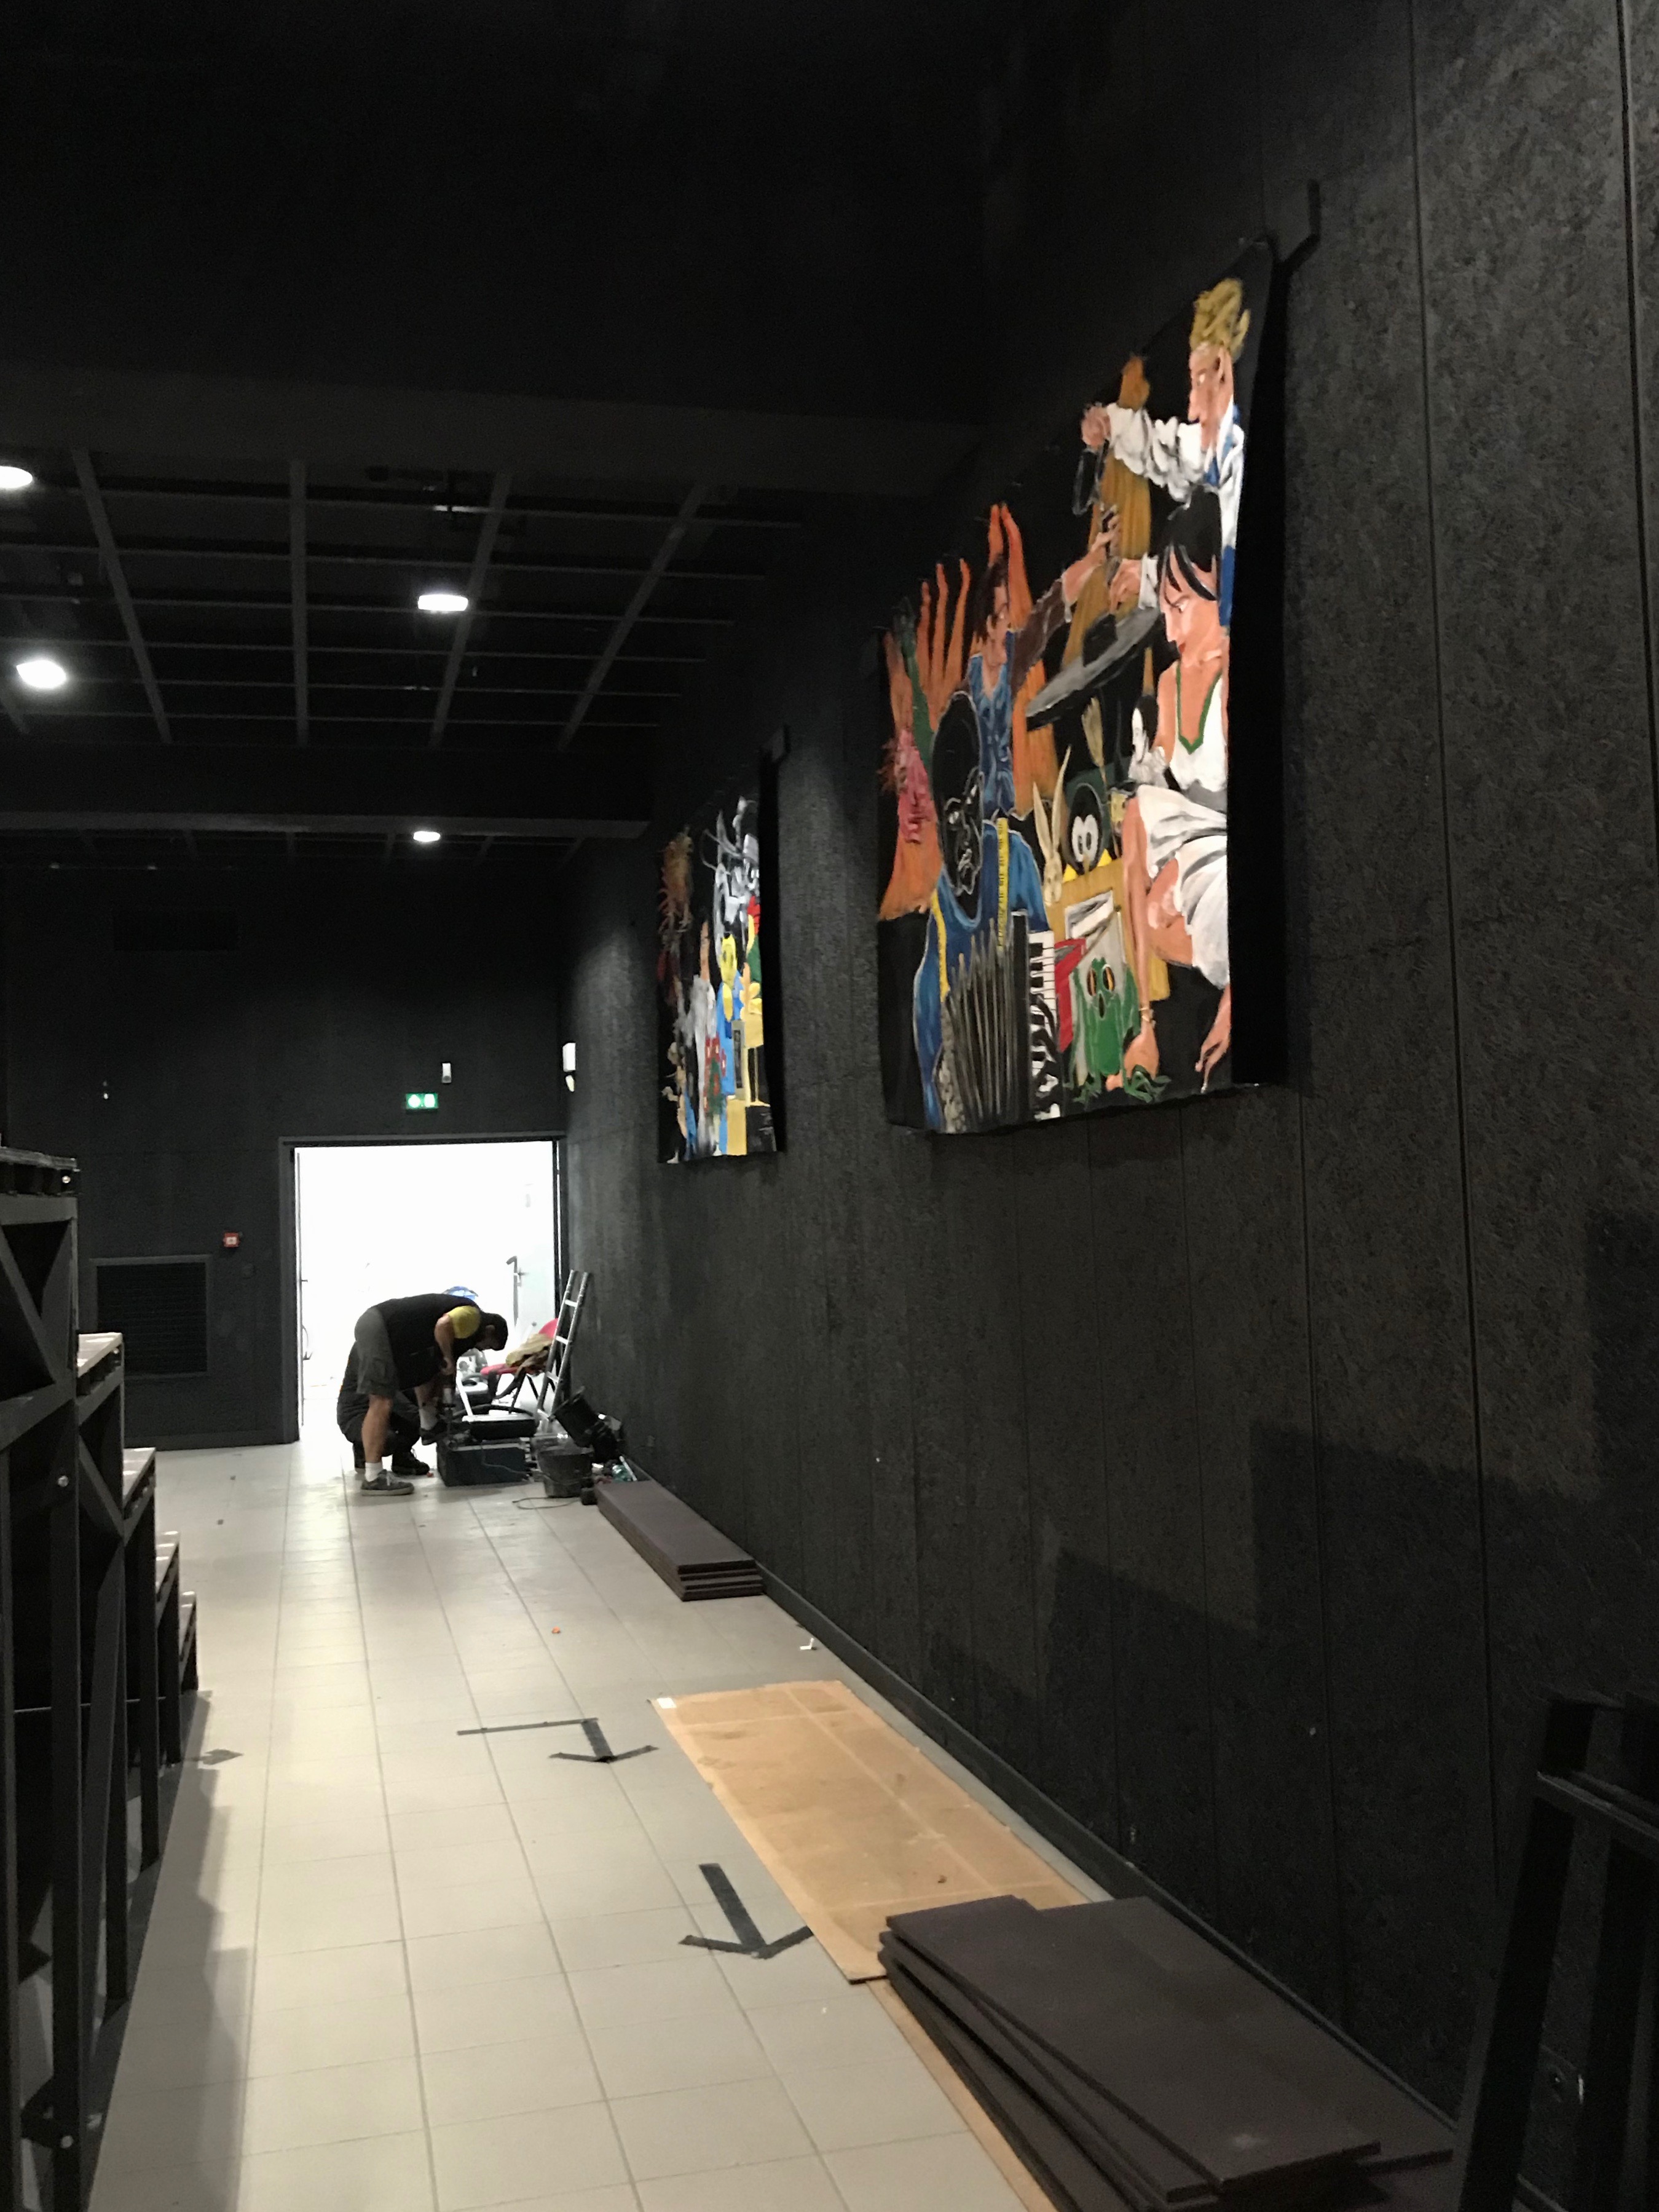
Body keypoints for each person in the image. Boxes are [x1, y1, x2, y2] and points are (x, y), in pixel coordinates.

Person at [1116, 491, 1231, 1091]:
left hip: (1229, 864)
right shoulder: (1166, 685)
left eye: (1182, 606)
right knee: (1134, 815)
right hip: (1193, 852)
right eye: (1164, 609)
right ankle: (1144, 1024)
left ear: (1216, 586)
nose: (1171, 629)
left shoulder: (1231, 674)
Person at [1079, 276, 1250, 627]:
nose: (1192, 409)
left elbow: (1214, 575)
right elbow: (1165, 451)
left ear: (1222, 371)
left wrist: (1150, 578)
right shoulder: (1211, 451)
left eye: (1199, 381)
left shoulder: (1238, 466)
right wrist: (1110, 423)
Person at [912, 695, 1048, 1129]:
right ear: (938, 824)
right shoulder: (935, 941)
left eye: (974, 800)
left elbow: (1046, 987)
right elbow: (934, 1097)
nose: (968, 827)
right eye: (954, 817)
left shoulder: (1015, 860)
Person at [351, 1291, 509, 1494]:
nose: (482, 1349)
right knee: (382, 1400)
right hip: (378, 1326)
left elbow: (440, 1370)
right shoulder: (473, 1316)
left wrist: (444, 1396)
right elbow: (443, 1326)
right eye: (488, 1345)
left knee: (428, 1373)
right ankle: (373, 1477)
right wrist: (447, 1357)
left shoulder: (462, 1335)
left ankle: (428, 1425)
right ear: (489, 1330)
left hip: (384, 1328)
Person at [336, 1345, 426, 1479]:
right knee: (386, 1440)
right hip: (356, 1413)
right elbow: (392, 1398)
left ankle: (402, 1457)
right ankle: (363, 1450)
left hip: (384, 1405)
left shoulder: (397, 1344)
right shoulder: (369, 1348)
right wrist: (426, 1421)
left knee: (415, 1395)